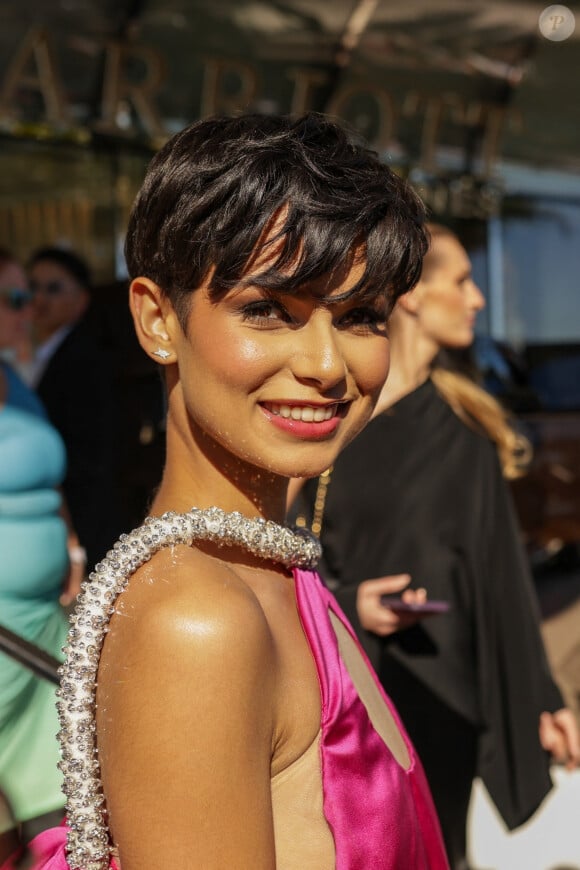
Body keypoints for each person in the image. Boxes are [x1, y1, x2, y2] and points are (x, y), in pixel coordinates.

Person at [2, 113, 450, 870]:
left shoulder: (274, 572)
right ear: (157, 320)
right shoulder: (199, 621)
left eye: (361, 317)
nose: (326, 365)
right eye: (270, 309)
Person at [291, 223, 580, 870]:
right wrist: (348, 603)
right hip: (348, 684)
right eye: (462, 281)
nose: (477, 299)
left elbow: (502, 576)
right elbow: (292, 549)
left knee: (436, 849)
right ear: (413, 294)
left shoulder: (465, 429)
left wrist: (540, 696)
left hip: (445, 690)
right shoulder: (331, 417)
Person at [0, 251, 78, 845]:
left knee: (54, 796)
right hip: (3, 634)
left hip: (44, 622)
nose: (29, 312)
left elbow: (50, 486)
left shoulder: (16, 382)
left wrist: (71, 550)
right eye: (15, 299)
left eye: (27, 298)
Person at [27, 247, 119, 569]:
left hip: (80, 523)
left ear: (81, 300)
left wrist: (74, 537)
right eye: (32, 286)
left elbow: (89, 455)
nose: (38, 298)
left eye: (53, 288)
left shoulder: (83, 358)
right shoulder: (41, 351)